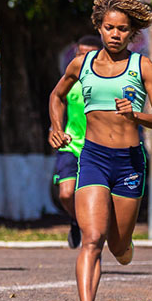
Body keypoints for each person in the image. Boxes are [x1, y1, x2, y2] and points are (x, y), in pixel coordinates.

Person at [49, 0, 152, 301]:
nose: (115, 34)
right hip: (94, 159)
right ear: (99, 27)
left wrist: (137, 114)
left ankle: (126, 245)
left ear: (131, 33)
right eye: (109, 27)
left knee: (118, 246)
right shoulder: (81, 65)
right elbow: (56, 96)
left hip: (130, 162)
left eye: (122, 29)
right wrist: (56, 128)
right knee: (92, 238)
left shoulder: (143, 66)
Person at [51, 35, 104, 249]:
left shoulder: (107, 82)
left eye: (88, 55)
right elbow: (57, 98)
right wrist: (56, 128)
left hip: (98, 149)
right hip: (71, 146)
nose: (82, 58)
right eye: (79, 54)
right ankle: (78, 221)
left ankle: (92, 229)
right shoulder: (70, 79)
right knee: (66, 193)